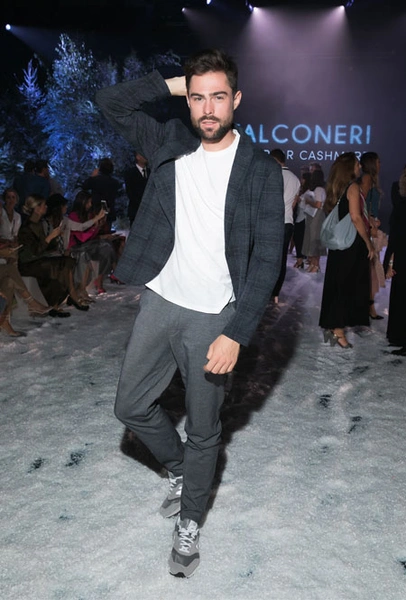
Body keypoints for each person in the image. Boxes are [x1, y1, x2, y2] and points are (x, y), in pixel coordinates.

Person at [96, 48, 284, 577]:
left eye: (218, 97)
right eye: (198, 98)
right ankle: (181, 469)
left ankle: (191, 521)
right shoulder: (171, 142)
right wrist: (173, 83)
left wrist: (236, 333)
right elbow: (109, 101)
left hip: (213, 317)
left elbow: (267, 258)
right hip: (161, 299)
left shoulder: (260, 170)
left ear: (236, 99)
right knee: (130, 406)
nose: (207, 108)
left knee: (204, 429)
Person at [319, 152, 375, 348]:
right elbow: (355, 217)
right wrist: (368, 242)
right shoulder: (353, 187)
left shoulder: (336, 187)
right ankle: (338, 330)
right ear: (350, 168)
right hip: (351, 243)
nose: (360, 167)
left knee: (337, 284)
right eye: (357, 164)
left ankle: (333, 325)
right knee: (347, 286)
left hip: (339, 244)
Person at [17, 194, 86, 317]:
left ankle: (64, 298)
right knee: (58, 266)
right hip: (28, 264)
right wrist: (50, 237)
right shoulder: (26, 227)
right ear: (36, 208)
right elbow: (34, 251)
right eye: (43, 205)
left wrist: (56, 238)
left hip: (39, 259)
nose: (46, 207)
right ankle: (60, 300)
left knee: (68, 261)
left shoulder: (39, 223)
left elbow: (46, 247)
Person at [45, 193, 106, 303]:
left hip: (66, 250)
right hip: (53, 252)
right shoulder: (47, 222)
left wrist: (96, 219)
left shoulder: (65, 220)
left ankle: (80, 290)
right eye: (64, 206)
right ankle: (75, 292)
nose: (66, 207)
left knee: (86, 255)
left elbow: (81, 227)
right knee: (81, 255)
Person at [67, 190, 116, 295]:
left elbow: (91, 237)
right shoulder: (73, 216)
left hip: (86, 244)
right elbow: (81, 238)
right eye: (88, 202)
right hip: (76, 247)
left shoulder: (87, 215)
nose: (90, 205)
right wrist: (95, 224)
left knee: (107, 247)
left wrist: (97, 226)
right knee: (105, 246)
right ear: (82, 202)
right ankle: (101, 278)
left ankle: (101, 277)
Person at [269, 149, 300, 303]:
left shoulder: (273, 175)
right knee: (281, 260)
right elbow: (294, 204)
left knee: (268, 258)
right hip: (287, 221)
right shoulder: (295, 179)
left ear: (275, 160)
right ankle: (276, 293)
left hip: (272, 222)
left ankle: (266, 291)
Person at [359, 151, 386, 320]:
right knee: (370, 271)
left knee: (371, 271)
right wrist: (371, 222)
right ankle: (367, 307)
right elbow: (361, 207)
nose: (380, 164)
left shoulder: (371, 181)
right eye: (378, 162)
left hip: (371, 227)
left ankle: (369, 306)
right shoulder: (366, 180)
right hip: (368, 231)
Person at [384, 165, 406, 355]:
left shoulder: (401, 203)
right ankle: (398, 336)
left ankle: (400, 337)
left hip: (401, 252)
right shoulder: (399, 198)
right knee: (400, 293)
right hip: (401, 252)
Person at [81, 157, 121, 231]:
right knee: (106, 232)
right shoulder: (115, 183)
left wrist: (92, 176)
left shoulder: (95, 180)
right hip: (109, 211)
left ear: (100, 168)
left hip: (95, 211)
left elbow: (84, 187)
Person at [301, 168, 327, 273]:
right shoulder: (318, 189)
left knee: (315, 239)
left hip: (317, 215)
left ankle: (316, 264)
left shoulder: (319, 189)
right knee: (312, 238)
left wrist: (309, 201)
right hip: (314, 215)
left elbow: (318, 204)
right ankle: (313, 263)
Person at [124, 152, 150, 227]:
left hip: (150, 211)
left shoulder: (150, 172)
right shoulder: (130, 173)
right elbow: (130, 193)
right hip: (136, 210)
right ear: (137, 157)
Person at [292, 172, 311, 269]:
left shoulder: (309, 192)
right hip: (300, 217)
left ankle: (300, 260)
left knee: (299, 239)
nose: (301, 180)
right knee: (297, 239)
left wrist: (299, 200)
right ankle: (300, 260)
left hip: (303, 219)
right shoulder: (304, 191)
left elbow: (308, 207)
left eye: (302, 179)